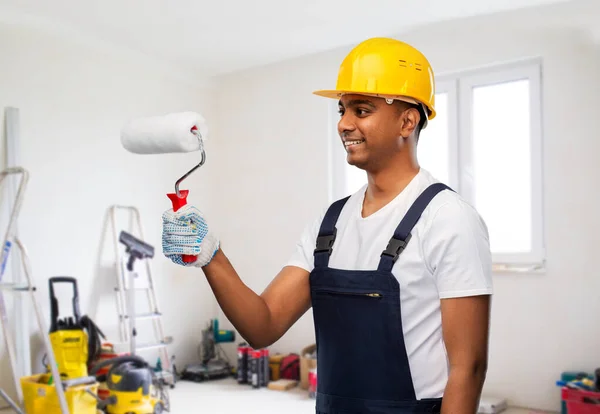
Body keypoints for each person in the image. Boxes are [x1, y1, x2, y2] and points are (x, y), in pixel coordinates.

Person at [161, 37, 493, 414]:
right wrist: (210, 255)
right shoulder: (330, 224)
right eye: (342, 110)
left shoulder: (449, 219)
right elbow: (263, 326)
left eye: (361, 110)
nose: (344, 125)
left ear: (407, 120)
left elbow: (469, 369)